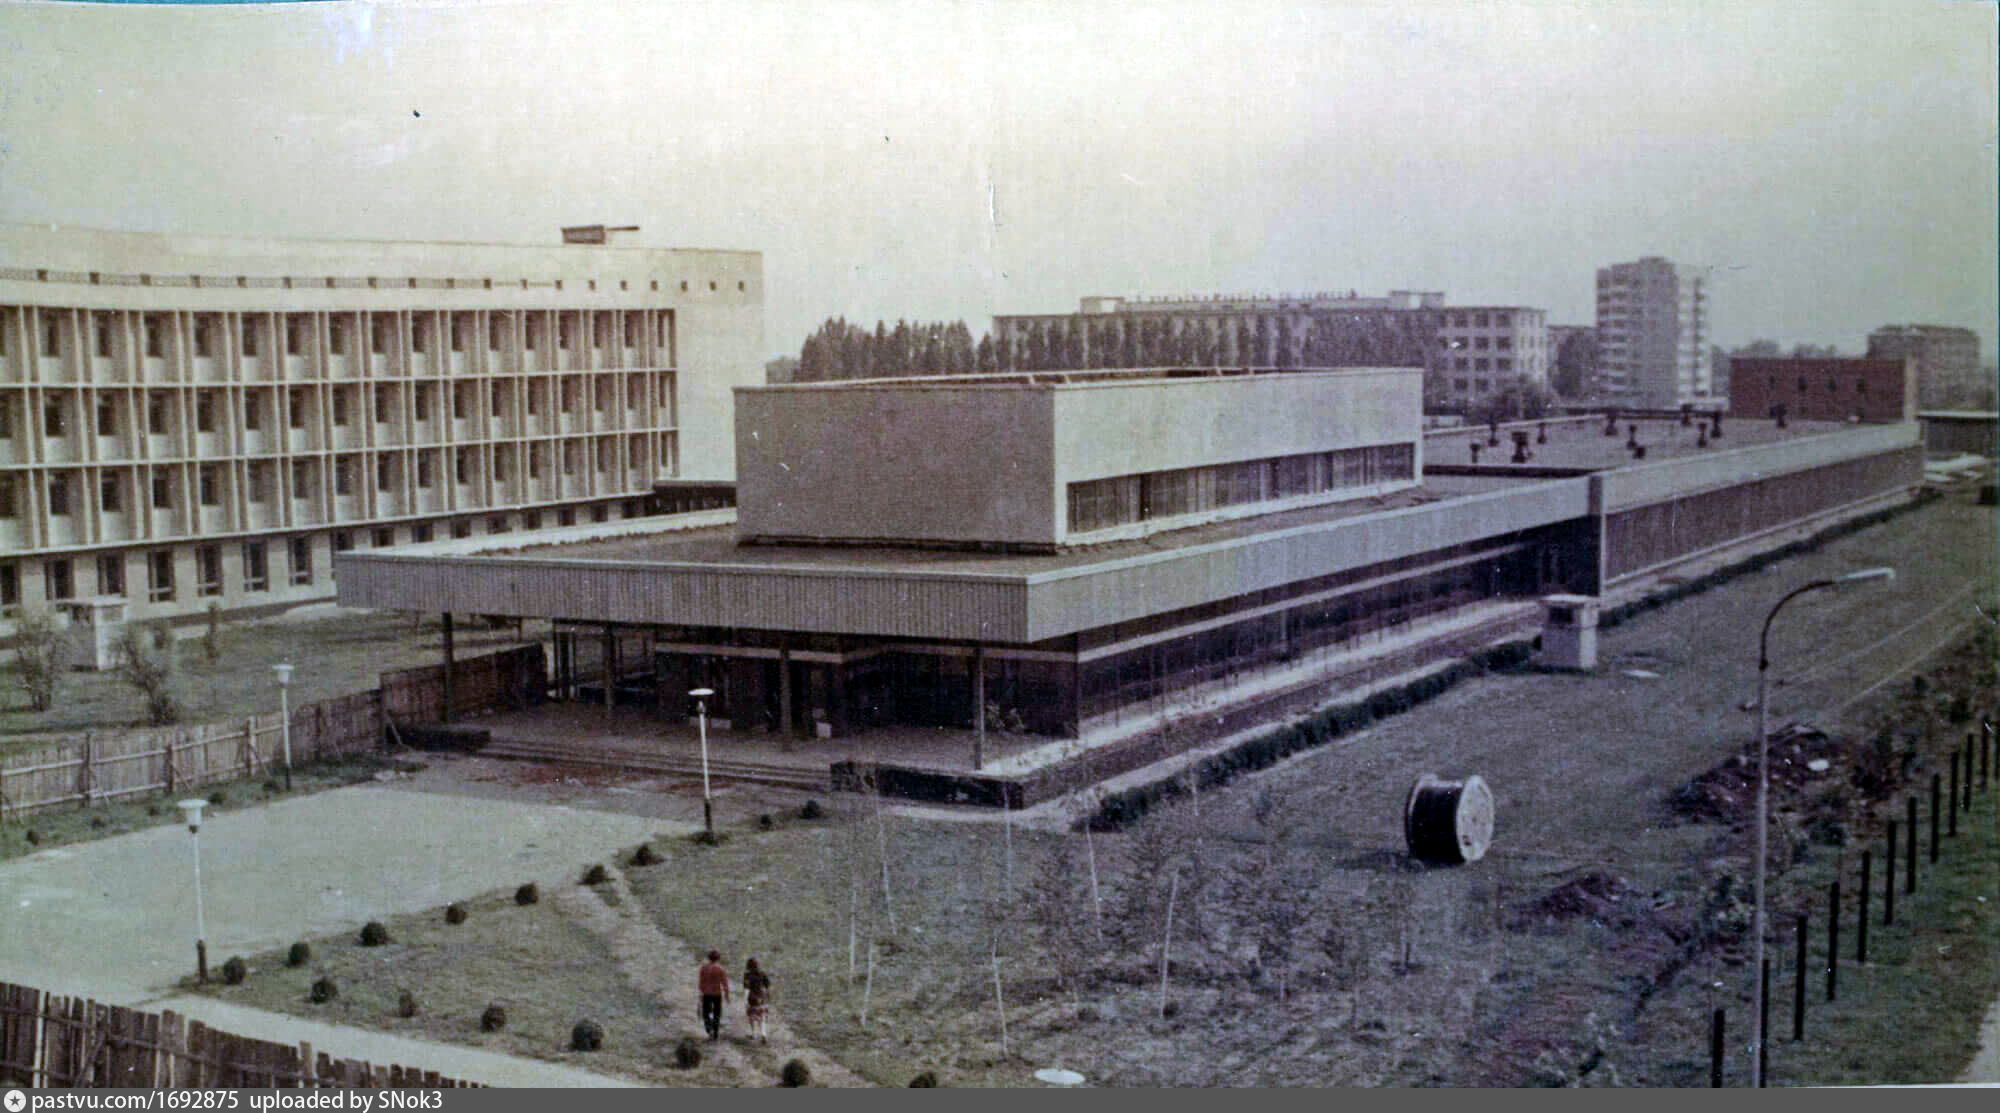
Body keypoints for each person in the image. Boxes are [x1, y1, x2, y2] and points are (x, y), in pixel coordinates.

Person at [697, 950, 731, 1040]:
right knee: (717, 1013)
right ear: (718, 959)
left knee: (706, 1013)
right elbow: (725, 983)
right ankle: (715, 1033)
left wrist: (700, 993)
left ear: (709, 958)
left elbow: (701, 982)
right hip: (717, 993)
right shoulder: (721, 969)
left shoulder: (703, 968)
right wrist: (727, 995)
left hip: (706, 993)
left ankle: (709, 1030)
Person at [742, 958, 772, 1042]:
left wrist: (745, 1000)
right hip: (762, 997)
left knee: (752, 1016)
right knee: (762, 1017)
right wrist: (767, 995)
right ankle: (763, 1034)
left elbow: (746, 989)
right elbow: (768, 985)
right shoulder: (762, 973)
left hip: (752, 998)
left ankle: (753, 1033)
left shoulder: (747, 975)